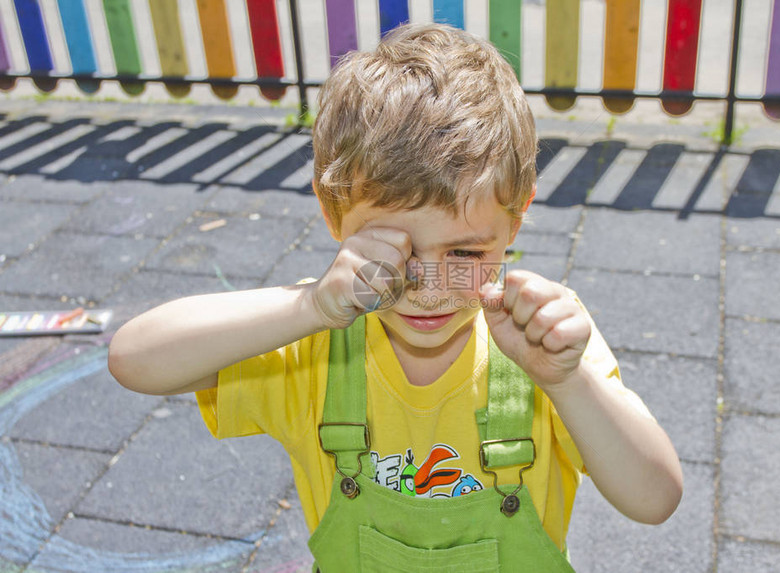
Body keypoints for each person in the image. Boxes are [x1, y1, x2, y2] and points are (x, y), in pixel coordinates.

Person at [109, 23, 682, 571]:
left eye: (463, 256)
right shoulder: (316, 347)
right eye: (395, 256)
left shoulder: (548, 340)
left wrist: (566, 380)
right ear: (332, 210)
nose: (429, 290)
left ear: (517, 218)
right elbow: (133, 360)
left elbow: (654, 498)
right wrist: (307, 307)